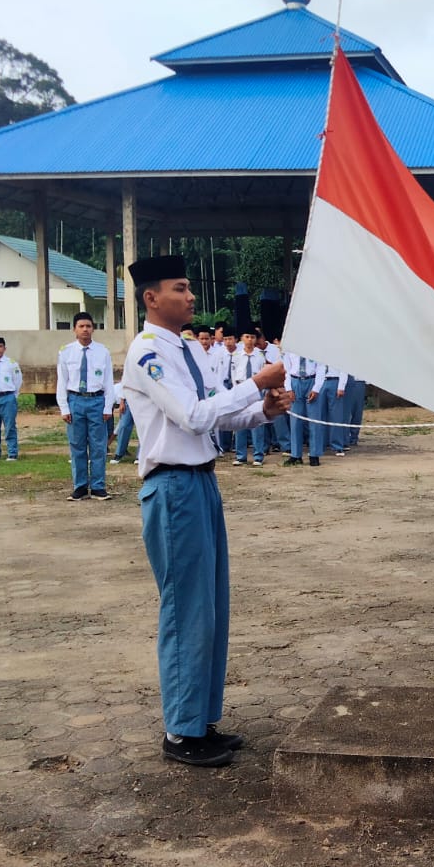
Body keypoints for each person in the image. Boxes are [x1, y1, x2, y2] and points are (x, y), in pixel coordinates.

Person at [122, 255, 292, 767]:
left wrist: (262, 411)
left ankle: (200, 720)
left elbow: (216, 413)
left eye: (189, 287)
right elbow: (193, 417)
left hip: (200, 481)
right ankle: (181, 732)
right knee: (185, 610)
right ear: (151, 298)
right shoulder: (147, 352)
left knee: (210, 607)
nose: (191, 296)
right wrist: (257, 383)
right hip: (173, 486)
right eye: (179, 288)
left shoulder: (186, 349)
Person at [56, 312, 116, 500]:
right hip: (75, 400)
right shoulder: (66, 352)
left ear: (93, 329)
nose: (85, 330)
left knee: (98, 446)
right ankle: (80, 486)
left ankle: (98, 486)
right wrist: (64, 407)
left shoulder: (103, 352)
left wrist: (108, 407)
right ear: (74, 329)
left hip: (96, 401)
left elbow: (108, 381)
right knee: (77, 446)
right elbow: (62, 381)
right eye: (81, 326)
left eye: (88, 326)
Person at [230, 329, 268, 467]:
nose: (250, 340)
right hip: (241, 388)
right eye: (247, 337)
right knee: (240, 423)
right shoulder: (236, 355)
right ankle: (241, 456)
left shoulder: (260, 355)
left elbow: (263, 373)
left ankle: (258, 455)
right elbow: (233, 374)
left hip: (256, 389)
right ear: (242, 338)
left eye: (252, 337)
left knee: (257, 423)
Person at [281, 349, 327, 465]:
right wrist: (289, 388)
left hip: (311, 380)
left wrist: (316, 388)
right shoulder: (289, 349)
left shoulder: (314, 347)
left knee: (314, 421)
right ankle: (296, 455)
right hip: (295, 381)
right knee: (295, 422)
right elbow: (286, 370)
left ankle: (314, 455)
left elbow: (321, 368)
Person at [111, 382, 137, 464]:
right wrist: (122, 401)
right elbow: (125, 382)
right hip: (128, 399)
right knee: (124, 426)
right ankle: (119, 454)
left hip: (144, 399)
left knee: (143, 428)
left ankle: (140, 456)